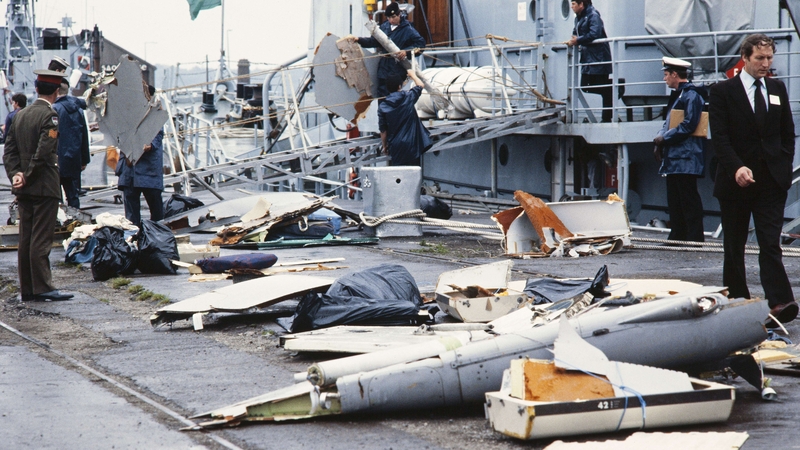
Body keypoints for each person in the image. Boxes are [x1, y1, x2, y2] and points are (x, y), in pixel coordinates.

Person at [709, 34, 797, 326]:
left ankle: (781, 301)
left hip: (771, 181)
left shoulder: (777, 88)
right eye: (760, 58)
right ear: (745, 58)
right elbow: (719, 138)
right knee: (733, 245)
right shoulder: (723, 91)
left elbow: (787, 132)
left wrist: (783, 165)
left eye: (769, 58)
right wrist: (736, 167)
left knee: (770, 242)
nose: (766, 64)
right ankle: (737, 301)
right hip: (736, 181)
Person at [2, 69, 74, 301]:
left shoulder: (20, 115)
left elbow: (9, 150)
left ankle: (28, 289)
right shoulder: (50, 116)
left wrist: (16, 175)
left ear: (36, 89)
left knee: (26, 238)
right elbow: (44, 152)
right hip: (43, 186)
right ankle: (44, 287)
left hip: (23, 188)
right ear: (56, 90)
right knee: (41, 239)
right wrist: (29, 175)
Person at [653, 57, 705, 242]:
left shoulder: (690, 95)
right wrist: (659, 139)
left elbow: (689, 124)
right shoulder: (680, 96)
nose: (665, 79)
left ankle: (694, 237)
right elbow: (669, 123)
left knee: (688, 199)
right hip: (676, 157)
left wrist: (663, 138)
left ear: (675, 74)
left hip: (686, 157)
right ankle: (678, 235)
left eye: (667, 75)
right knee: (675, 199)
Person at [353, 2, 425, 99]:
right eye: (388, 17)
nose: (391, 20)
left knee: (395, 97)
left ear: (399, 14)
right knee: (382, 96)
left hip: (397, 68)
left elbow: (420, 44)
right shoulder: (384, 27)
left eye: (393, 17)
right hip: (384, 67)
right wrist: (359, 40)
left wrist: (406, 51)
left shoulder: (408, 29)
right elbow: (373, 41)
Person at [116, 86, 165, 225]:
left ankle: (157, 237)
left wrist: (148, 145)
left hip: (148, 169)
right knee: (131, 214)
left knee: (156, 209)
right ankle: (133, 238)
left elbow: (157, 136)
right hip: (129, 170)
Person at [566, 0, 613, 123]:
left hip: (599, 58)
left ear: (581, 4)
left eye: (573, 4)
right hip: (588, 58)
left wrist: (578, 40)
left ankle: (606, 117)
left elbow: (595, 33)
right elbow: (576, 33)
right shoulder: (579, 18)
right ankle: (613, 87)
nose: (571, 7)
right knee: (585, 86)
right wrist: (573, 40)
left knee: (602, 87)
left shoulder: (593, 15)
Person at [378, 70, 432, 166]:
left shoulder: (383, 106)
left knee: (399, 176)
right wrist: (413, 75)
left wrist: (384, 145)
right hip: (412, 144)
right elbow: (420, 85)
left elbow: (383, 131)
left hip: (396, 146)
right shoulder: (408, 97)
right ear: (399, 86)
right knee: (414, 174)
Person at [53, 80, 90, 209]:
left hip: (57, 159)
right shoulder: (78, 109)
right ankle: (76, 223)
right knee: (73, 196)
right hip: (74, 159)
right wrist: (84, 159)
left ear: (56, 90)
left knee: (55, 197)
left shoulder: (54, 109)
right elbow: (84, 135)